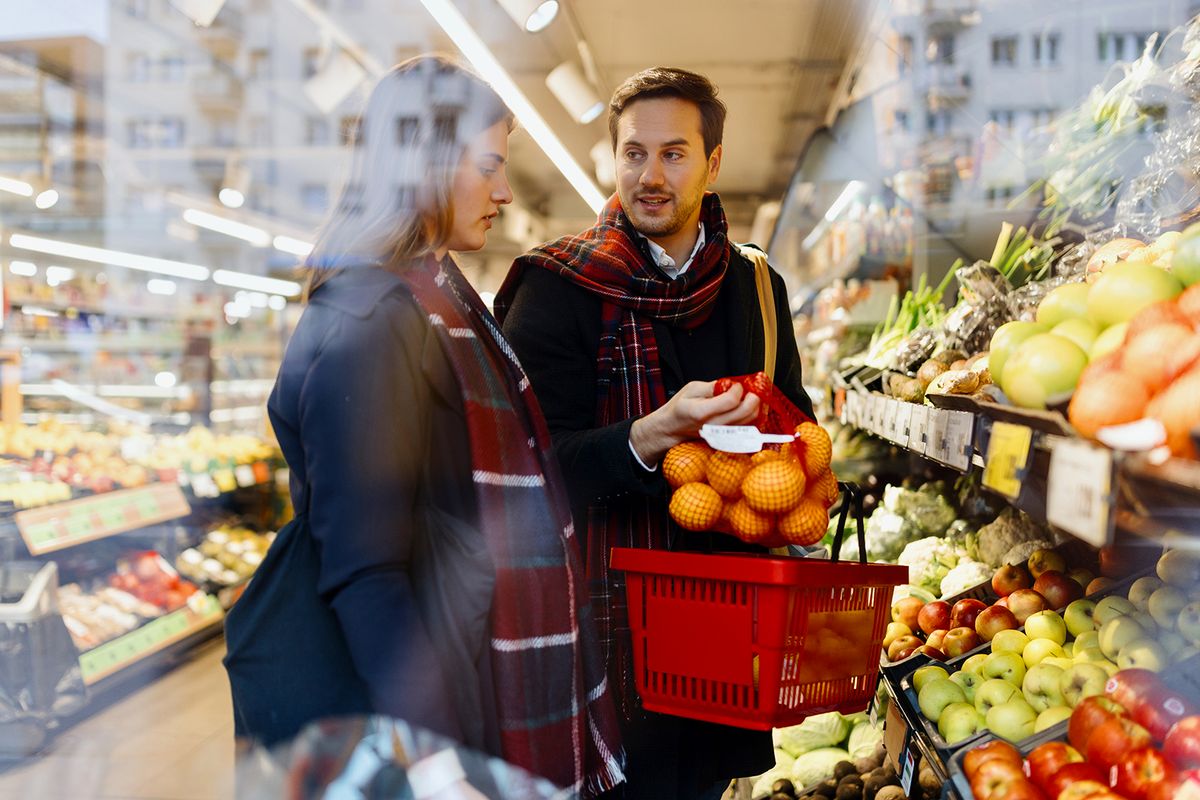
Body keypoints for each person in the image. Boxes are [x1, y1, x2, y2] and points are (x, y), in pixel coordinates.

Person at [224, 56, 624, 798]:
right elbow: (365, 570)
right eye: (487, 166)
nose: (504, 192)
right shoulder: (374, 321)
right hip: (433, 709)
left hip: (467, 666)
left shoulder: (441, 299)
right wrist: (438, 763)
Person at [494, 67, 815, 798]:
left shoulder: (758, 289)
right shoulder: (558, 286)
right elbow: (527, 468)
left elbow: (797, 419)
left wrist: (795, 464)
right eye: (633, 153)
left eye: (674, 153)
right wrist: (648, 438)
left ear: (713, 163)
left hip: (725, 643)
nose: (650, 174)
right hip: (604, 643)